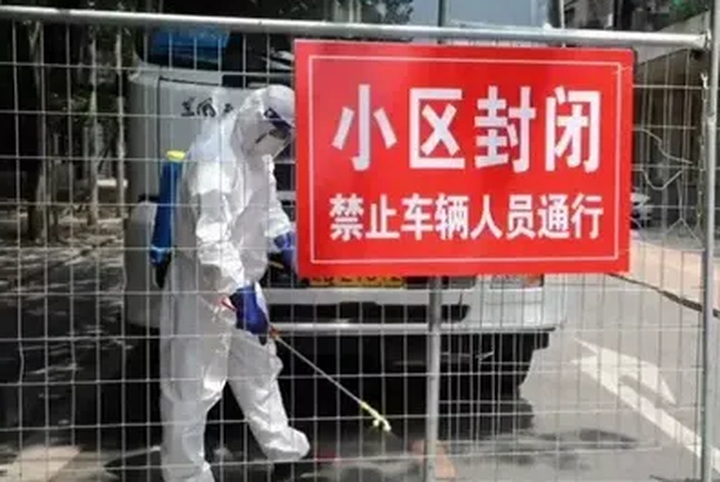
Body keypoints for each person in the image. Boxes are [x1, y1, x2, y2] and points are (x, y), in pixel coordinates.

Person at [158, 84, 310, 482]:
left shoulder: (258, 152)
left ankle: (285, 450)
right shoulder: (214, 159)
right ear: (260, 118)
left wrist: (284, 237)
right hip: (201, 285)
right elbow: (211, 239)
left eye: (288, 136)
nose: (282, 144)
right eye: (280, 133)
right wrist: (237, 291)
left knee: (259, 369)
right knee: (193, 383)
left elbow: (267, 203)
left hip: (242, 278)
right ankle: (186, 474)